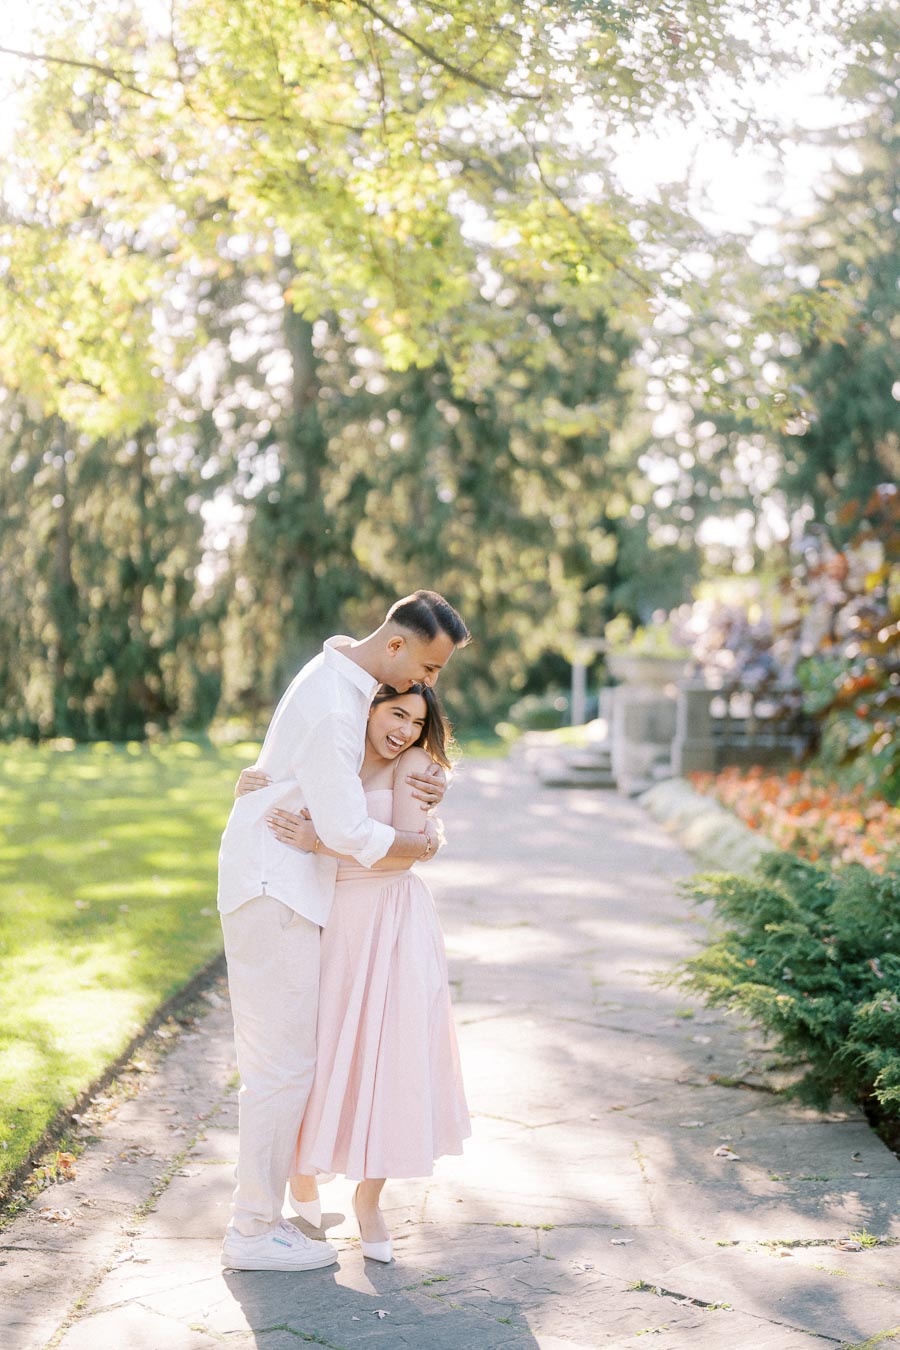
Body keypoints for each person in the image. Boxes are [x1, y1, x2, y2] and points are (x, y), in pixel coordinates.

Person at [217, 591, 470, 1273]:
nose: (427, 685)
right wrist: (424, 844)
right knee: (283, 1069)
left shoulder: (333, 672)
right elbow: (347, 830)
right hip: (278, 885)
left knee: (289, 1064)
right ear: (394, 647)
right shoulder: (336, 703)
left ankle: (263, 1219)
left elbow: (300, 776)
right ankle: (251, 1230)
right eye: (426, 668)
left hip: (284, 885)